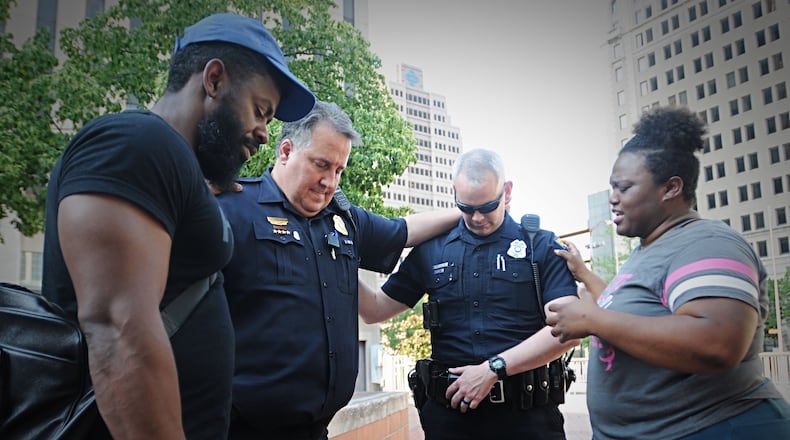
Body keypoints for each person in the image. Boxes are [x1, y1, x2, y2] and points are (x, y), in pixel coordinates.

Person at [41, 13, 316, 439]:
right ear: (214, 80)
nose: (263, 133)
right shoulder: (136, 144)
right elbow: (118, 332)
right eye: (260, 111)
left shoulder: (171, 164)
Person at [217, 100, 460, 440]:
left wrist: (470, 210)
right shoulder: (232, 209)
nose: (329, 182)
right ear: (286, 151)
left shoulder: (343, 220)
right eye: (321, 165)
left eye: (339, 170)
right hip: (241, 430)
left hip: (317, 430)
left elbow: (404, 230)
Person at [548, 106, 790, 439]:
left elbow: (718, 342)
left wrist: (592, 321)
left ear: (670, 188)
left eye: (624, 188)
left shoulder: (705, 241)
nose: (613, 200)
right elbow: (638, 315)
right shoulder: (650, 249)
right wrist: (585, 276)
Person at [357, 148, 580, 439]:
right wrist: (338, 262)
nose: (477, 218)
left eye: (487, 206)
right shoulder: (432, 249)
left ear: (507, 191)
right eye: (466, 207)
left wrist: (493, 369)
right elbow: (375, 310)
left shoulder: (540, 246)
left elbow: (570, 329)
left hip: (528, 418)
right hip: (451, 418)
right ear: (454, 193)